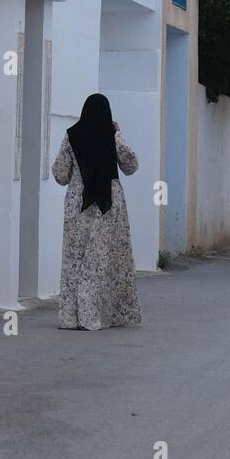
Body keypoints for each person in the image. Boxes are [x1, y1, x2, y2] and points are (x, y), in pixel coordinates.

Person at [51, 93, 142, 330]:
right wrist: (118, 134)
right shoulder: (111, 136)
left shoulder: (72, 135)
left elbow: (60, 175)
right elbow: (131, 165)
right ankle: (97, 315)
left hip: (77, 203)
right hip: (108, 204)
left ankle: (71, 317)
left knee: (75, 260)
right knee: (103, 260)